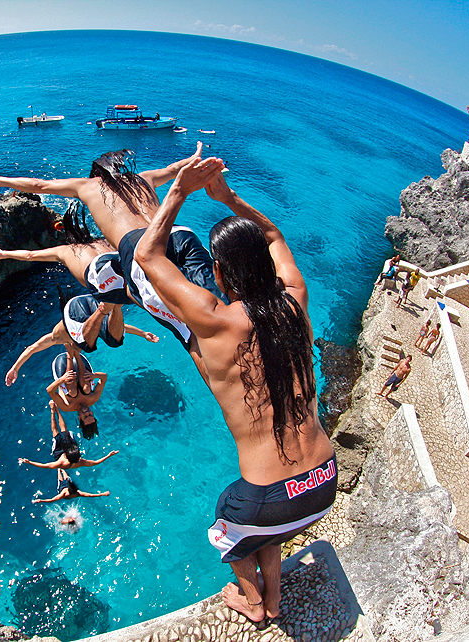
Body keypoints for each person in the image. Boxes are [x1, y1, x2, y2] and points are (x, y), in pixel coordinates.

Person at [134, 158, 336, 623]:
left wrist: (178, 192)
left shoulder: (215, 318)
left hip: (268, 500)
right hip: (324, 484)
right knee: (268, 525)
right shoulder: (296, 301)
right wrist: (227, 199)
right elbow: (275, 235)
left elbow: (147, 256)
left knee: (226, 530)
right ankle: (278, 595)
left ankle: (255, 603)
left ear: (219, 272)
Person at [0, 142, 228, 358]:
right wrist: (197, 157)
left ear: (96, 174)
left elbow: (39, 185)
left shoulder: (87, 186)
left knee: (192, 334)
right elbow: (175, 169)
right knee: (222, 306)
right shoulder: (144, 177)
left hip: (142, 250)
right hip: (177, 232)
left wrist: (1, 181)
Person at [0, 204, 131, 305]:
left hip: (104, 284)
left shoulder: (65, 250)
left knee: (116, 294)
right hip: (121, 268)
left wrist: (4, 254)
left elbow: (30, 255)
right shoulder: (104, 241)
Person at [5, 293, 158, 385]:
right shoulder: (90, 332)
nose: (74, 352)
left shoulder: (58, 336)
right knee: (114, 341)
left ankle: (106, 307)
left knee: (86, 344)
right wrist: (143, 334)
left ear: (69, 344)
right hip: (92, 304)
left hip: (75, 309)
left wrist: (15, 368)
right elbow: (122, 327)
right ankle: (116, 305)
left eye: (72, 351)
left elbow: (32, 348)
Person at [19, 401, 120, 469]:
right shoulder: (80, 461)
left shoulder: (61, 463)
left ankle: (53, 411)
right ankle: (58, 410)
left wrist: (29, 462)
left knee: (56, 434)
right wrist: (108, 455)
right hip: (71, 450)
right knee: (65, 431)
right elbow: (95, 462)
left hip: (58, 452)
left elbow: (45, 465)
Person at [47, 352, 105, 438]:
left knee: (73, 393)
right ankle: (76, 352)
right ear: (92, 413)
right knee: (86, 390)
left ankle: (70, 355)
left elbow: (50, 390)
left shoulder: (67, 407)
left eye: (85, 416)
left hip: (62, 370)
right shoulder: (94, 398)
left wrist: (62, 379)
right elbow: (104, 378)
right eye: (90, 414)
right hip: (80, 365)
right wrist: (94, 375)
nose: (87, 412)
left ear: (79, 418)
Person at [32, 468, 110, 503]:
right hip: (62, 488)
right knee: (61, 480)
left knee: (67, 479)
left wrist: (102, 494)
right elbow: (53, 499)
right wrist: (41, 500)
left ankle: (62, 470)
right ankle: (59, 469)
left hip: (66, 486)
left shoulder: (77, 493)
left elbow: (90, 495)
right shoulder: (63, 494)